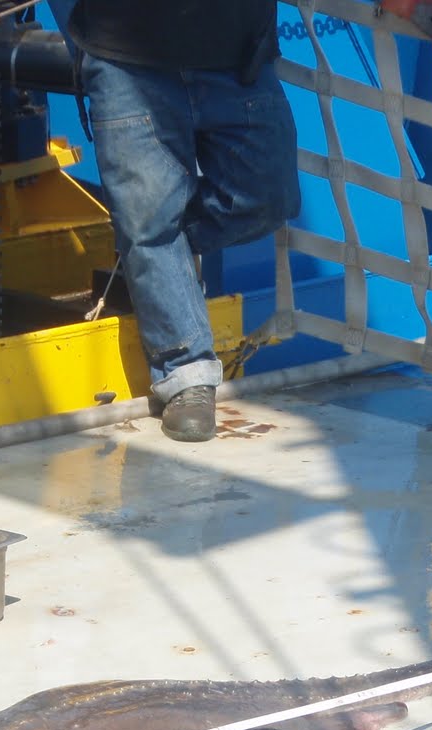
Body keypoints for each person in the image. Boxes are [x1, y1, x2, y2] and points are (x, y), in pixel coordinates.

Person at [49, 0, 301, 443]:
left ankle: (154, 258)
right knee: (149, 224)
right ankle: (186, 375)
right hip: (124, 56)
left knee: (267, 198)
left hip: (237, 52)